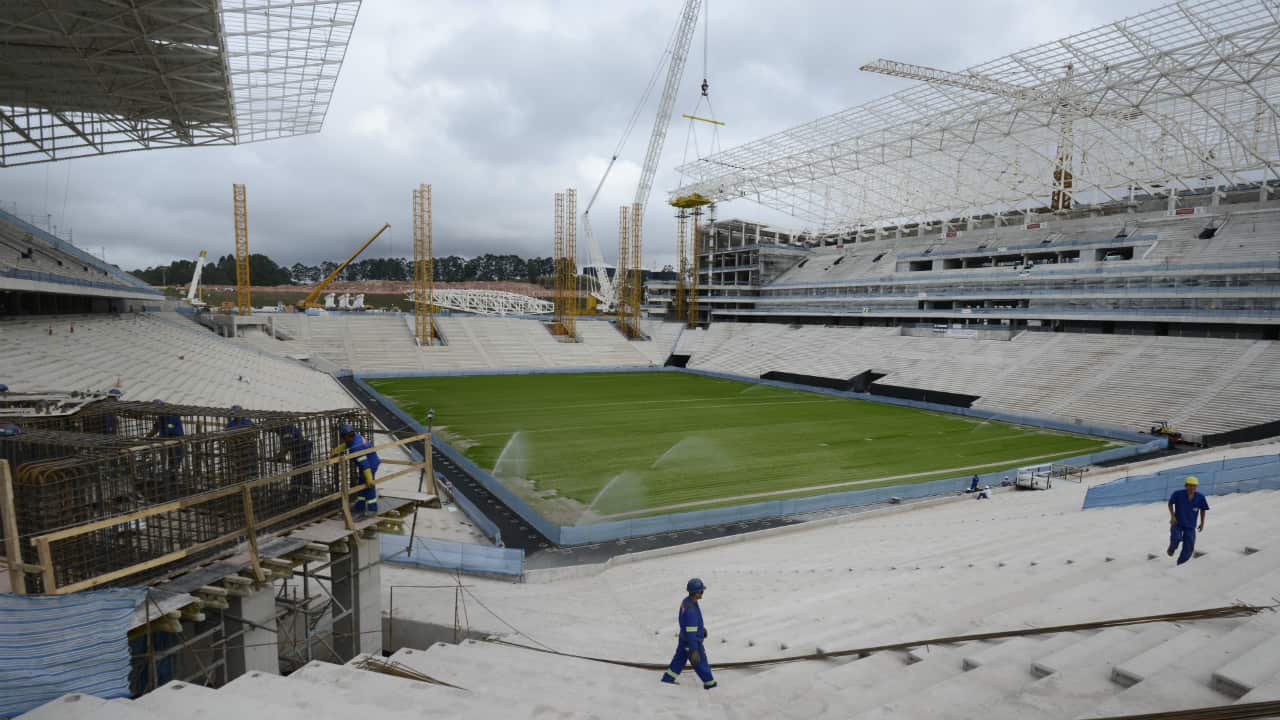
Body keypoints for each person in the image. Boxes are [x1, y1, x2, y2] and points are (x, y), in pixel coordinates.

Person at [661, 578, 716, 690]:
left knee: (679, 660)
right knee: (700, 662)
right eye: (701, 591)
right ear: (695, 593)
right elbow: (691, 630)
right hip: (692, 641)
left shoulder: (688, 601)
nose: (702, 593)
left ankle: (668, 679)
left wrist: (701, 629)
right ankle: (710, 684)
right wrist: (694, 649)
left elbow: (690, 624)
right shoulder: (691, 608)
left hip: (684, 639)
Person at [331, 423, 379, 515]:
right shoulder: (355, 436)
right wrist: (336, 450)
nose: (343, 439)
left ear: (345, 436)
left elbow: (365, 465)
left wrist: (369, 478)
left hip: (370, 465)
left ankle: (372, 509)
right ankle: (360, 506)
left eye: (343, 437)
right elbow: (347, 444)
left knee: (369, 486)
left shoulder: (356, 447)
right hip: (369, 463)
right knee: (361, 483)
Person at [1167, 476, 1209, 565]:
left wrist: (1202, 523)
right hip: (1177, 522)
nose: (1192, 488)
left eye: (1194, 486)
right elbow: (1170, 503)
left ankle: (1181, 564)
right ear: (1185, 486)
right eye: (1190, 486)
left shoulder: (1200, 497)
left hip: (1190, 525)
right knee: (1176, 537)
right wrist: (1172, 516)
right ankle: (1172, 548)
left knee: (1189, 546)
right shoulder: (1178, 494)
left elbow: (1203, 509)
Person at [275, 424, 315, 500]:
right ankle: (302, 497)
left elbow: (287, 446)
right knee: (300, 477)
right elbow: (287, 447)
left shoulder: (286, 430)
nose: (274, 433)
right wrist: (281, 455)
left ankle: (302, 498)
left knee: (301, 477)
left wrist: (279, 456)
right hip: (299, 456)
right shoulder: (286, 430)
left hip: (302, 456)